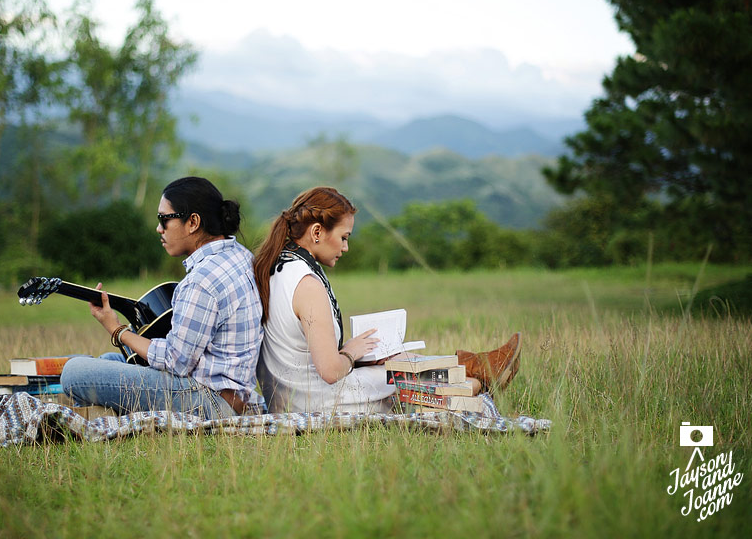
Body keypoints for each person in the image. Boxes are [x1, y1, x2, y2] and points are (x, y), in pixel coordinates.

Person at [253, 186, 521, 414]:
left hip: (290, 396)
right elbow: (331, 371)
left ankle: (477, 370)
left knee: (394, 363)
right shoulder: (307, 285)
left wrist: (360, 355)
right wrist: (352, 352)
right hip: (310, 400)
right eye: (344, 238)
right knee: (399, 375)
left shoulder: (280, 268)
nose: (346, 247)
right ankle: (475, 381)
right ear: (317, 232)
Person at [61, 177, 264, 419]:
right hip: (232, 394)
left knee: (73, 372)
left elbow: (176, 362)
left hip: (208, 400)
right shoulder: (241, 255)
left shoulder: (201, 280)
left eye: (164, 219)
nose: (159, 228)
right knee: (110, 360)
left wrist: (117, 330)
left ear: (193, 222)